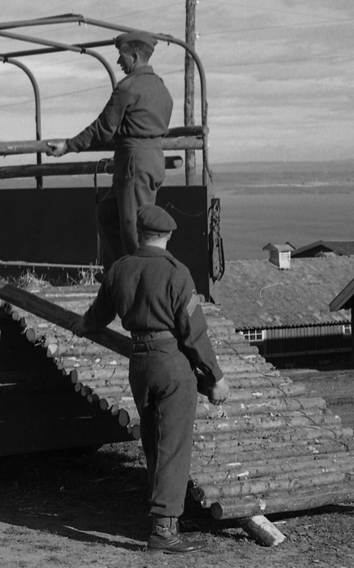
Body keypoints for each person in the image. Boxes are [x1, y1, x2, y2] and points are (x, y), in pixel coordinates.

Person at [71, 204, 229, 555]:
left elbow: (98, 315)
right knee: (173, 445)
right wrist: (215, 376)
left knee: (154, 441)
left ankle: (163, 521)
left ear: (139, 233)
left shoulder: (119, 270)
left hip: (138, 363)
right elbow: (194, 333)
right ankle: (163, 530)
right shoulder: (176, 273)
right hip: (172, 364)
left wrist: (84, 325)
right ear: (169, 235)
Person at [46, 30, 172, 272]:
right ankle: (120, 271)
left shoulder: (129, 87)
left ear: (134, 56)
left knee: (132, 228)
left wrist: (68, 145)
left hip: (134, 164)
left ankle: (141, 278)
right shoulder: (161, 87)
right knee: (106, 213)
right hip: (153, 160)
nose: (118, 62)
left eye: (121, 56)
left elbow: (103, 129)